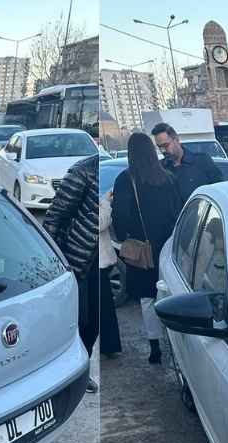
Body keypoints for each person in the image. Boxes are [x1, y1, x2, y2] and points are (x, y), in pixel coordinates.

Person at [112, 132, 181, 364]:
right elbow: (176, 212)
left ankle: (155, 347)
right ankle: (176, 343)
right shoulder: (168, 178)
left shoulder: (125, 180)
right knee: (169, 293)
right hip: (168, 245)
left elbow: (120, 216)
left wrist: (125, 237)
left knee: (147, 298)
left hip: (142, 249)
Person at [43, 153, 100, 392]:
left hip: (102, 259)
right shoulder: (83, 171)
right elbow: (55, 216)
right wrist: (50, 261)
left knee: (94, 324)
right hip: (75, 260)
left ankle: (81, 370)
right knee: (77, 320)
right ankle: (62, 376)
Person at [150, 122, 222, 201]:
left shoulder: (202, 161)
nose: (162, 150)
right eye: (159, 147)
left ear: (176, 140)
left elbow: (219, 190)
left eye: (166, 145)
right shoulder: (160, 168)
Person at [97, 187, 122, 358]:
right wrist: (105, 203)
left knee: (103, 308)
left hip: (96, 263)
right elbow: (100, 222)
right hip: (95, 263)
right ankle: (108, 346)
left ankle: (108, 346)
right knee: (103, 309)